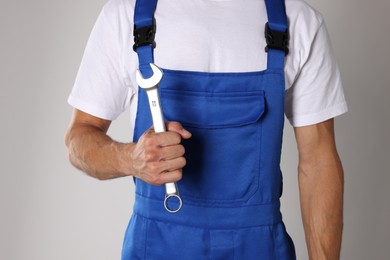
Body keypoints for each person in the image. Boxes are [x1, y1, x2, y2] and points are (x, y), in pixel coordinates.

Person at [65, 0, 347, 259]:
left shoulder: (297, 21)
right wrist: (130, 159)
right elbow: (79, 139)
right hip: (156, 246)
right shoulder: (126, 16)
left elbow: (318, 163)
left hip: (259, 247)